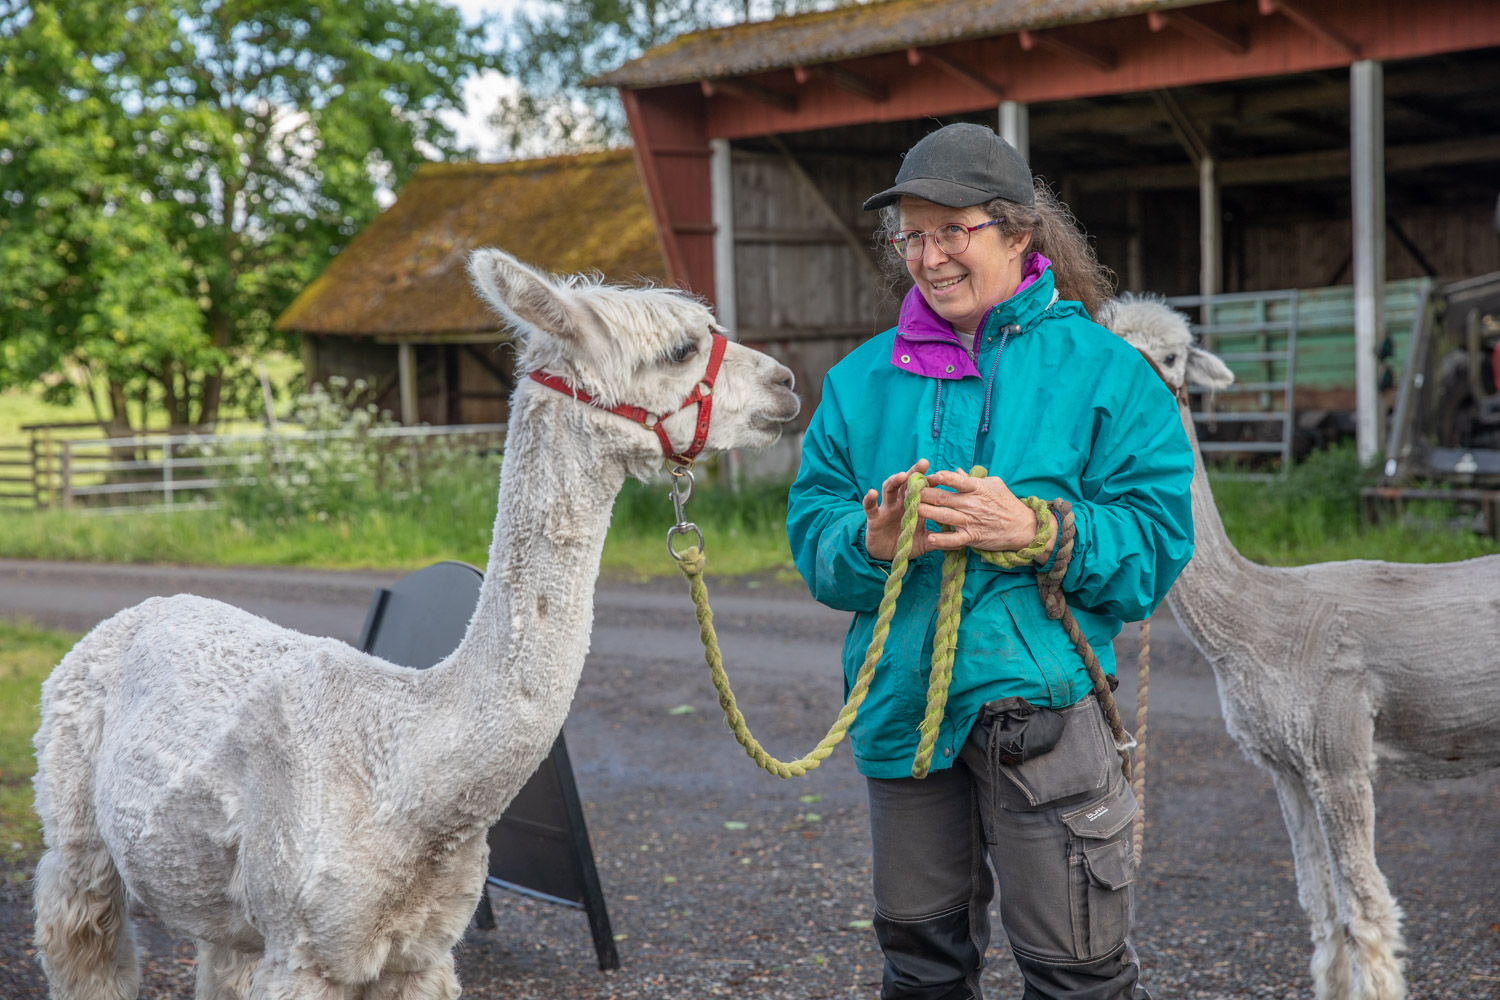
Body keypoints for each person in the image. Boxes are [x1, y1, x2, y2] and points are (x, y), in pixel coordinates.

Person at [786, 123, 1195, 1000]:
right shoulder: (860, 383)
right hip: (901, 714)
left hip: (1042, 713)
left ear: (1019, 233)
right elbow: (814, 530)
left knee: (1075, 975)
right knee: (921, 967)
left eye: (952, 230)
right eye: (913, 235)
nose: (928, 258)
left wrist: (1045, 531)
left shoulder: (1107, 375)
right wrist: (868, 543)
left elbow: (1156, 544)